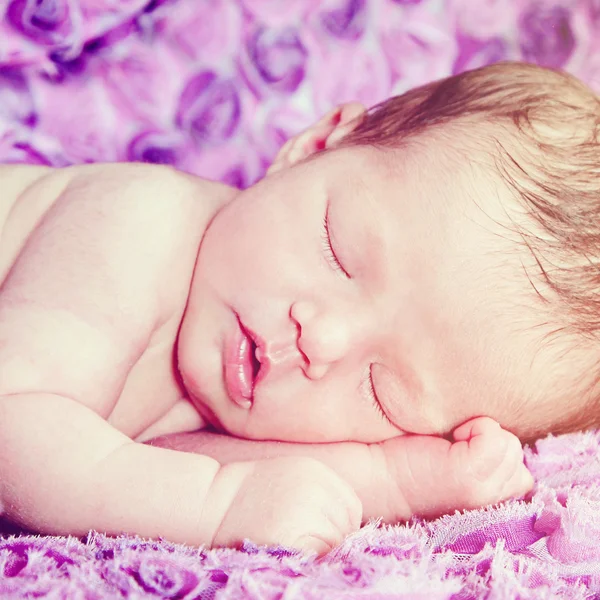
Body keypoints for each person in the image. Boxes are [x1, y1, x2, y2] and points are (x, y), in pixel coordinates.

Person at [5, 59, 596, 553]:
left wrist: (403, 481)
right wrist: (217, 509)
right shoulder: (136, 223)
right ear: (315, 146)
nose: (324, 342)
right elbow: (17, 421)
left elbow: (152, 464)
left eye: (382, 392)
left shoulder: (241, 390)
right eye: (340, 253)